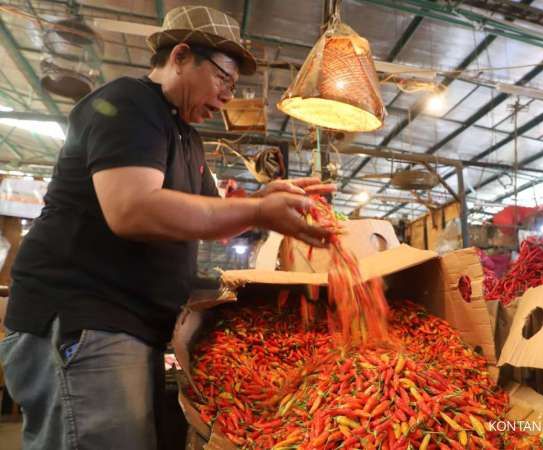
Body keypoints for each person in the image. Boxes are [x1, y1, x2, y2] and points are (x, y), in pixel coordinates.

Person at [0, 6, 332, 450]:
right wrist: (257, 212)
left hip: (129, 326)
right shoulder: (127, 103)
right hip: (84, 319)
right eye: (223, 79)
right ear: (179, 56)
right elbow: (132, 209)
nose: (228, 96)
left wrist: (265, 198)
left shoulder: (186, 136)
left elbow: (214, 224)